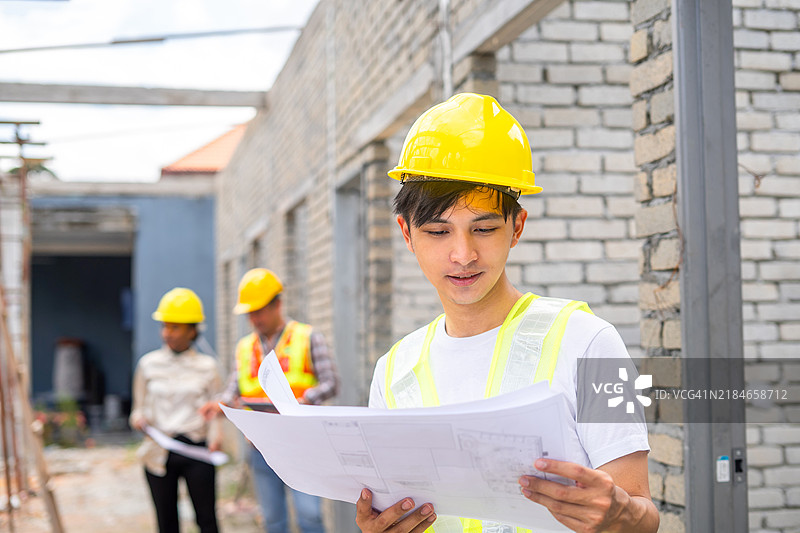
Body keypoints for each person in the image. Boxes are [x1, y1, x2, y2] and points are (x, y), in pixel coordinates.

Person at [355, 93, 659, 533]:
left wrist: (620, 515)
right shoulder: (392, 372)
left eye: (484, 228)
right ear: (407, 233)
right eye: (439, 231)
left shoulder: (593, 343)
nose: (463, 254)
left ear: (516, 227)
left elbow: (644, 516)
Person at [202, 268, 339, 533]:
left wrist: (303, 400)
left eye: (259, 311)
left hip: (303, 444)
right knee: (273, 520)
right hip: (262, 447)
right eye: (250, 313)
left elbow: (331, 382)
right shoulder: (244, 348)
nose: (254, 319)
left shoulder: (308, 337)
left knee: (310, 516)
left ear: (278, 304)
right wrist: (218, 406)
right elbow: (234, 390)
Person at [130, 287, 222, 533]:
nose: (166, 333)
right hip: (159, 452)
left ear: (192, 330)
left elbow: (216, 408)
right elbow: (137, 410)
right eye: (165, 326)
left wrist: (216, 435)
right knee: (166, 523)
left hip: (196, 449)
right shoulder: (148, 365)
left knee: (207, 520)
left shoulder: (207, 366)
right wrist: (138, 419)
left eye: (174, 327)